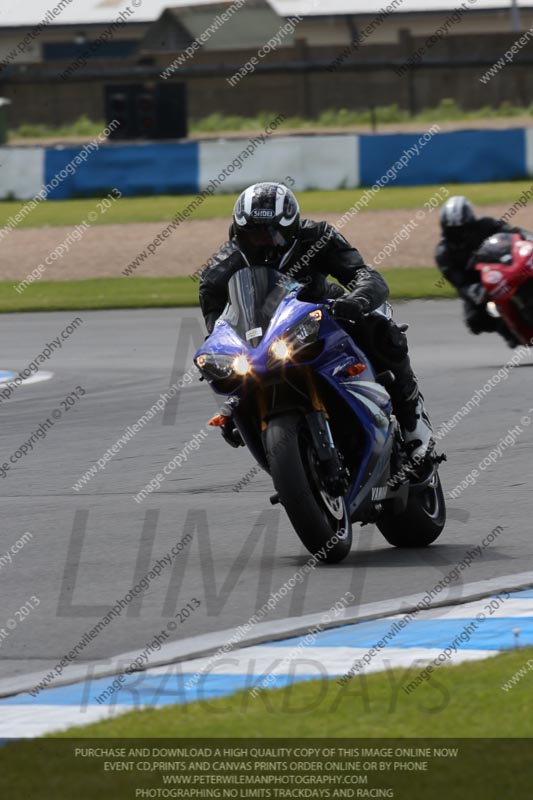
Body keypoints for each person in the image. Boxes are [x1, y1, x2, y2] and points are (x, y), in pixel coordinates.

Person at [199, 182, 432, 461]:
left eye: (271, 233)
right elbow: (215, 314)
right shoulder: (223, 265)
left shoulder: (318, 237)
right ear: (237, 233)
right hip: (263, 332)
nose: (263, 242)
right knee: (231, 370)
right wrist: (218, 341)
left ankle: (412, 419)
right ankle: (246, 416)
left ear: (292, 229)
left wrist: (356, 301)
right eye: (253, 235)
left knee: (380, 328)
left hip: (321, 311)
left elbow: (365, 276)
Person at [435, 195, 532, 346]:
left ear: (471, 222)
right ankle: (510, 332)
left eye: (462, 230)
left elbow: (515, 233)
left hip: (504, 268)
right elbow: (459, 282)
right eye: (453, 231)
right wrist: (474, 291)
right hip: (479, 284)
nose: (459, 235)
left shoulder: (487, 225)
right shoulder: (444, 253)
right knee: (474, 320)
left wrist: (528, 238)